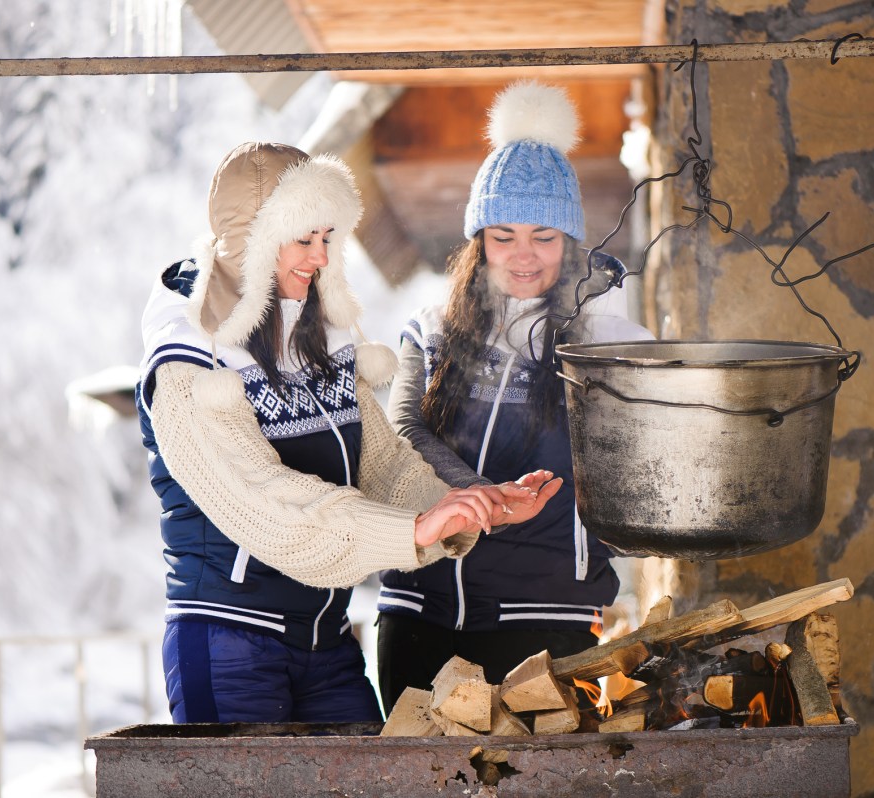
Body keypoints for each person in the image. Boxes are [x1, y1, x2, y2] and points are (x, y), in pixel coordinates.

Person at [135, 142, 561, 724]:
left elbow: (384, 464)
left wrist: (462, 507)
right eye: (301, 239)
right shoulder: (190, 364)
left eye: (326, 239)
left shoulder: (316, 341)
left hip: (327, 640)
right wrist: (413, 530)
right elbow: (266, 502)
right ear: (251, 240)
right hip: (230, 642)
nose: (318, 257)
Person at [376, 82, 655, 713]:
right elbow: (402, 433)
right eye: (502, 235)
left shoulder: (610, 343)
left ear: (571, 239)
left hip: (546, 614)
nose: (522, 256)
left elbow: (644, 470)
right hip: (420, 611)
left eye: (543, 236)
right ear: (477, 242)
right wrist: (483, 498)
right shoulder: (432, 328)